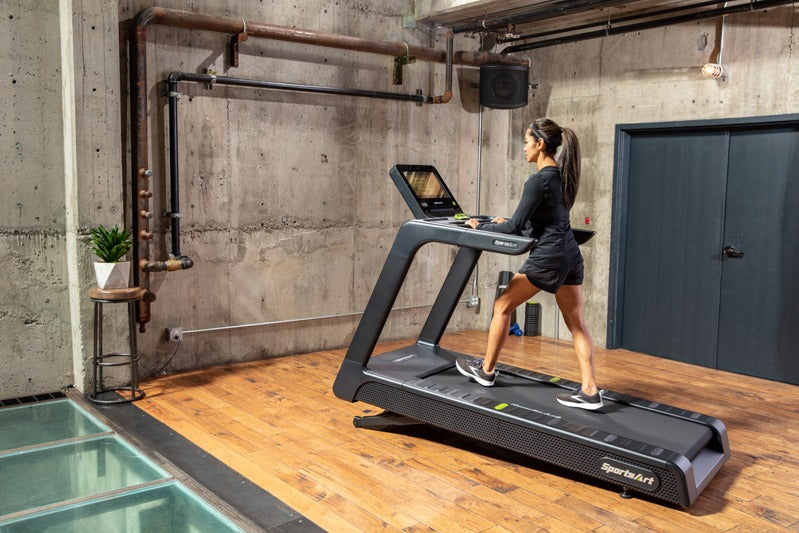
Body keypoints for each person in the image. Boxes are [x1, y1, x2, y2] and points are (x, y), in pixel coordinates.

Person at [455, 118, 602, 410]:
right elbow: (543, 223)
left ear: (540, 144)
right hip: (570, 254)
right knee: (577, 324)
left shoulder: (538, 179)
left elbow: (513, 228)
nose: (524, 148)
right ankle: (590, 390)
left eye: (526, 142)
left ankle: (486, 371)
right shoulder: (563, 175)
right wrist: (504, 223)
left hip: (548, 256)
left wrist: (478, 227)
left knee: (502, 306)